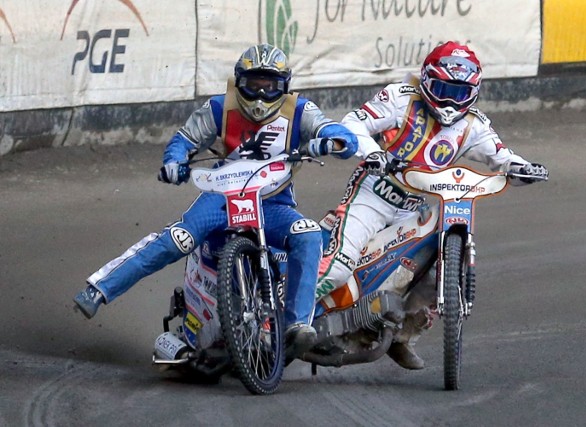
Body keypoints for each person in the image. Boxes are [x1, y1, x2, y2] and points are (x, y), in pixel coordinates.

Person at [73, 43, 358, 357]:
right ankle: (100, 288)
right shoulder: (219, 108)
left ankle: (296, 327)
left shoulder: (301, 110)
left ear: (284, 87)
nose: (261, 96)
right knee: (178, 239)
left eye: (270, 86)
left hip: (273, 205)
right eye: (253, 85)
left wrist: (334, 140)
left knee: (307, 235)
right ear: (239, 82)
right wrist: (174, 162)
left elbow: (335, 132)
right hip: (220, 199)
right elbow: (184, 140)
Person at [315, 41, 549, 369]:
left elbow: (502, 158)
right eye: (442, 88)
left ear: (474, 91)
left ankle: (400, 336)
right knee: (340, 266)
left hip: (413, 205)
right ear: (426, 80)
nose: (451, 101)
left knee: (432, 276)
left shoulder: (474, 125)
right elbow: (353, 123)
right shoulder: (399, 97)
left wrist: (524, 168)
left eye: (459, 92)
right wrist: (374, 154)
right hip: (372, 194)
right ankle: (289, 317)